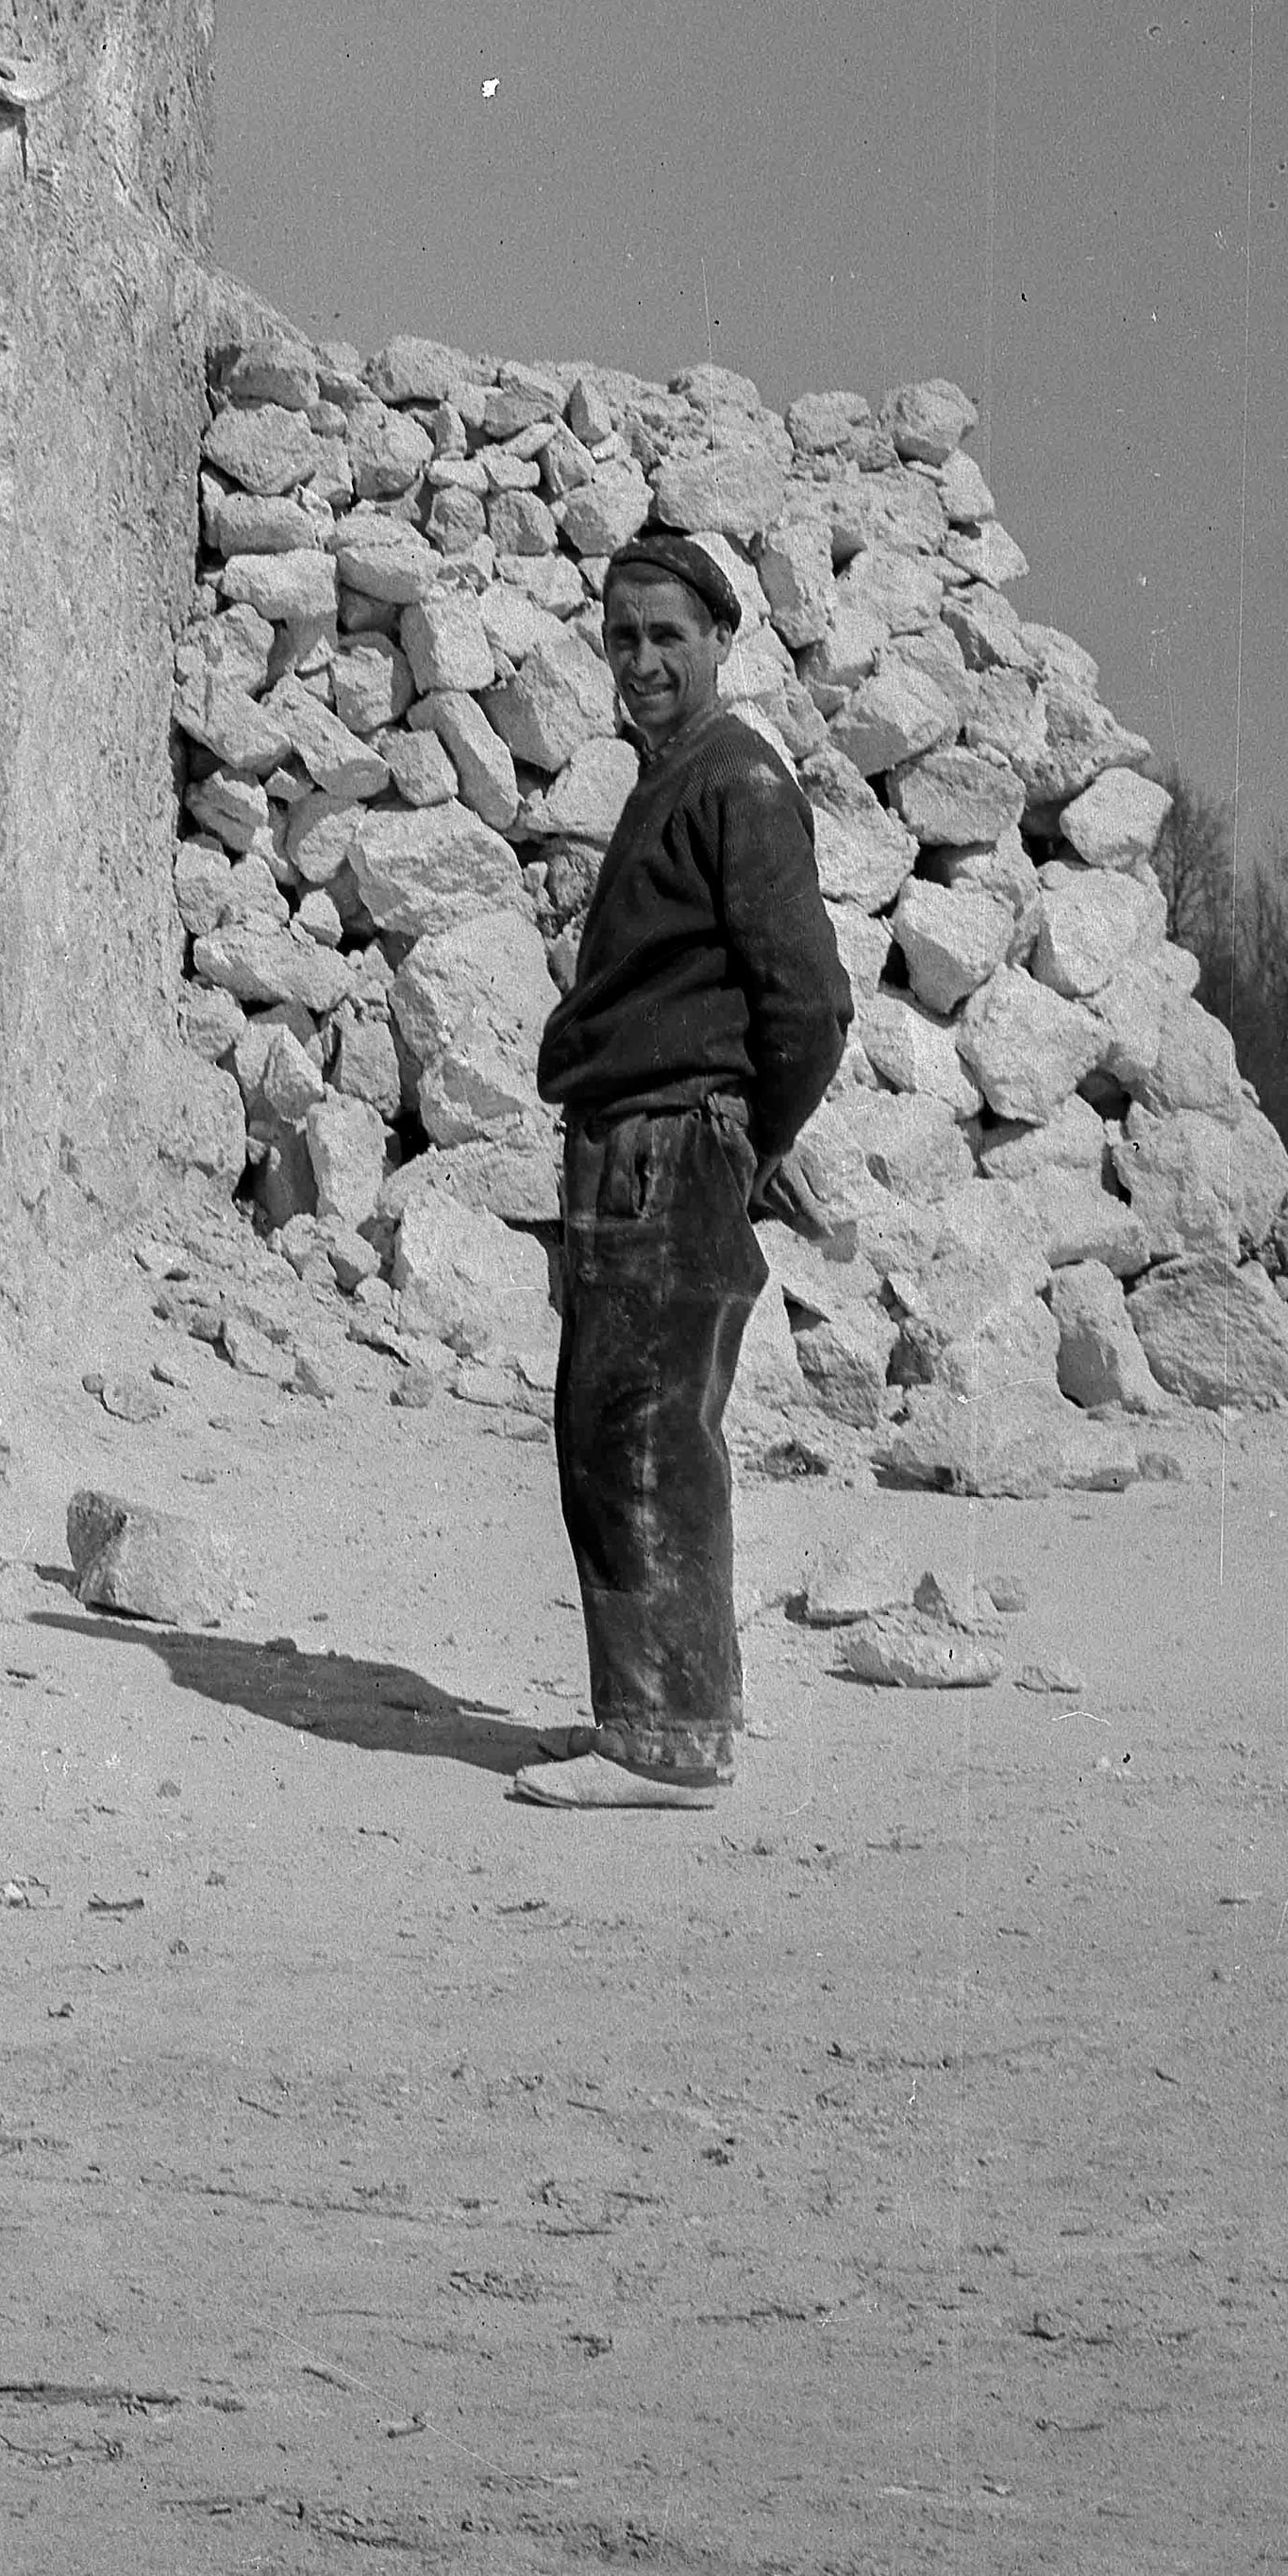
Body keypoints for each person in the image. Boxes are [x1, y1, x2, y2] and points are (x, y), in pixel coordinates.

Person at [511, 524, 853, 1810]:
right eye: (622, 636)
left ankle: (667, 1740)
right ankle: (656, 1709)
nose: (641, 659)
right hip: (638, 1148)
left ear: (721, 640)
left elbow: (808, 1003)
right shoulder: (680, 774)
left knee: (641, 1437)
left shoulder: (735, 777)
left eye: (667, 635)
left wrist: (744, 1137)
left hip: (666, 1153)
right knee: (617, 1434)